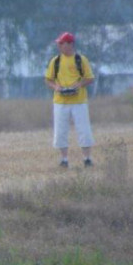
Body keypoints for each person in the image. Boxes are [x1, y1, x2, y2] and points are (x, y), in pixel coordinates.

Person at [44, 32, 95, 168]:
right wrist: (57, 87)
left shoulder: (81, 59)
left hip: (79, 101)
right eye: (59, 43)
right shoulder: (55, 61)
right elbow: (48, 80)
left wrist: (78, 86)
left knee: (84, 130)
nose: (59, 46)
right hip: (60, 102)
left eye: (62, 43)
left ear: (70, 44)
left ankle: (87, 158)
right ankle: (64, 159)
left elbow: (90, 78)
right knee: (60, 131)